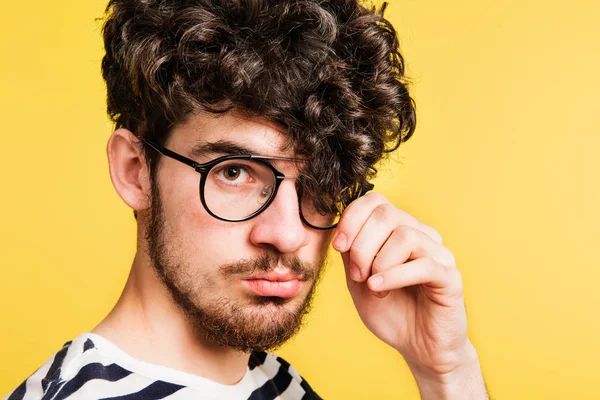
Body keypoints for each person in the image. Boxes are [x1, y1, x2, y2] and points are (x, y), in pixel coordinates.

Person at [4, 0, 490, 399]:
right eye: (234, 172)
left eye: (319, 180)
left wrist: (446, 370)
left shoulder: (276, 383)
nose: (287, 234)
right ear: (136, 171)